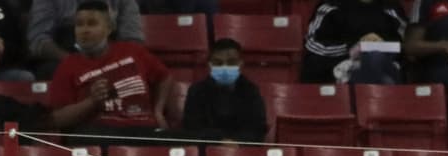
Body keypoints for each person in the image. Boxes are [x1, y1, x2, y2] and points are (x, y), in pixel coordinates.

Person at [48, 1, 169, 141]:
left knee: (188, 143)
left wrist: (158, 110)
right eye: (79, 24)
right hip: (102, 133)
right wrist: (91, 102)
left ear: (109, 28)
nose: (84, 30)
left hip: (144, 129)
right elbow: (57, 120)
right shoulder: (68, 65)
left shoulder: (132, 51)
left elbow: (164, 77)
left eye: (92, 24)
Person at [182, 38, 268, 143]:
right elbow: (191, 129)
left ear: (241, 64)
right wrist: (220, 140)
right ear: (210, 65)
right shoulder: (196, 91)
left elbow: (257, 129)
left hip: (242, 150)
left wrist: (236, 142)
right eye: (218, 63)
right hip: (206, 149)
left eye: (231, 62)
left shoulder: (251, 91)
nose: (225, 67)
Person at [301, 0, 407, 85]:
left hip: (385, 65)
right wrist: (354, 47)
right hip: (338, 68)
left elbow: (408, 44)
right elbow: (311, 43)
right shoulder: (331, 5)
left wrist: (382, 45)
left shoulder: (391, 7)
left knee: (376, 58)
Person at [28, 0, 143, 76]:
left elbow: (133, 38)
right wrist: (72, 61)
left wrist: (114, 63)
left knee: (134, 69)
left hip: (111, 57)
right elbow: (38, 40)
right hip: (63, 57)